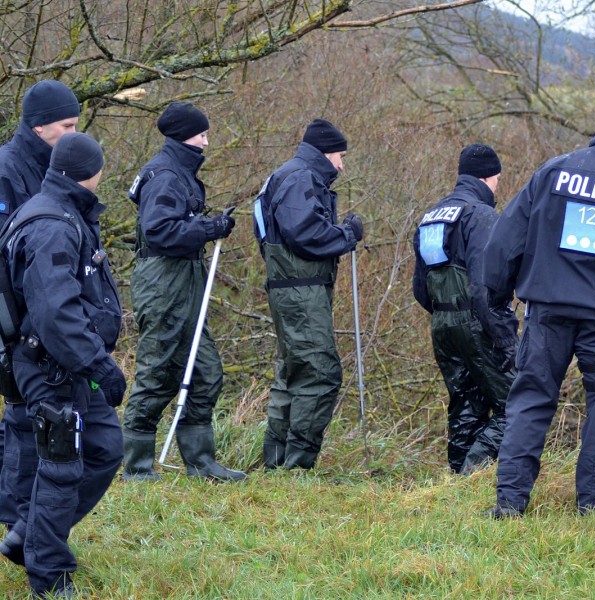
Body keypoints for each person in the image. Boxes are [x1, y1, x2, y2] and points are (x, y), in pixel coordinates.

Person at [483, 94, 595, 518]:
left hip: (548, 310)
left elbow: (504, 242)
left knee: (531, 398)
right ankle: (592, 508)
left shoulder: (553, 171)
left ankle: (509, 502)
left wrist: (494, 296)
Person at [0, 132, 125, 597]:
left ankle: (26, 535)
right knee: (60, 465)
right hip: (50, 364)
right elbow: (55, 312)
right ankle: (49, 576)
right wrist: (98, 364)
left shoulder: (65, 210)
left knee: (106, 448)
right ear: (89, 172)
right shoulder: (52, 222)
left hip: (67, 364)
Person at [122, 102, 244, 482]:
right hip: (163, 283)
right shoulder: (165, 175)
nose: (207, 142)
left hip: (187, 279)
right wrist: (209, 230)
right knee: (157, 369)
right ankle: (137, 466)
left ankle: (201, 462)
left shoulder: (181, 173)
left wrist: (209, 225)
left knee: (206, 370)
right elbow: (160, 231)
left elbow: (178, 224)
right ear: (183, 136)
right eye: (202, 135)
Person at [254, 118, 363, 470]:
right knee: (320, 372)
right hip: (301, 290)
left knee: (292, 371)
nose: (342, 165)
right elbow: (305, 233)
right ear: (324, 153)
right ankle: (297, 464)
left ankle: (276, 461)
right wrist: (347, 234)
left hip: (288, 287)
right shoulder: (301, 177)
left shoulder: (284, 175)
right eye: (339, 156)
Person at [0, 80, 81, 531]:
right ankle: (18, 523)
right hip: (14, 315)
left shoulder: (53, 166)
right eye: (66, 125)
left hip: (43, 309)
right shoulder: (7, 169)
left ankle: (21, 520)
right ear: (38, 126)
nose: (73, 134)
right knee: (20, 415)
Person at [412, 144, 517, 474]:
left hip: (442, 325)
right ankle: (471, 471)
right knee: (517, 405)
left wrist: (447, 315)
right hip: (476, 323)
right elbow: (485, 285)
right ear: (488, 178)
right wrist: (504, 339)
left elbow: (420, 289)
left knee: (465, 403)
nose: (498, 187)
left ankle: (455, 481)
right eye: (498, 179)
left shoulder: (431, 217)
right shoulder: (480, 216)